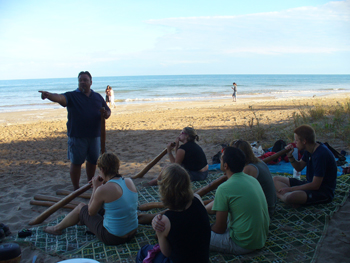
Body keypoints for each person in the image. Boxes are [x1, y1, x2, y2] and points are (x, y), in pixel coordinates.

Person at [44, 153, 138, 245]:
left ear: (102, 169)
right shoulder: (129, 181)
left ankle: (56, 228)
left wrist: (96, 188)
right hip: (132, 232)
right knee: (108, 206)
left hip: (114, 237)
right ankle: (78, 220)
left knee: (81, 207)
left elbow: (91, 212)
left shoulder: (103, 190)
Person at [39, 71, 111, 190]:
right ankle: (76, 188)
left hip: (95, 136)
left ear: (91, 82)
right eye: (80, 80)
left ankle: (90, 184)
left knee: (93, 161)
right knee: (76, 163)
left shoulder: (97, 97)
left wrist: (106, 114)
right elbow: (60, 98)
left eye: (85, 80)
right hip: (77, 136)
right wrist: (49, 95)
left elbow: (107, 111)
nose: (82, 82)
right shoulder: (72, 96)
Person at [138, 164, 211, 263]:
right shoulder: (197, 199)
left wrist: (159, 234)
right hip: (202, 259)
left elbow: (166, 253)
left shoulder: (165, 221)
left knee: (143, 251)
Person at [208, 147, 269, 255]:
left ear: (225, 166)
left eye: (221, 159)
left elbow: (219, 229)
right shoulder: (253, 180)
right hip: (260, 239)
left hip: (242, 244)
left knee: (195, 235)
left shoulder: (224, 188)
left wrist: (208, 228)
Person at [273, 125, 337, 206]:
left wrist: (290, 189)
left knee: (290, 197)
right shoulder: (309, 149)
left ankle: (279, 195)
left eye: (296, 140)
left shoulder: (321, 155)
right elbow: (299, 167)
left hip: (322, 191)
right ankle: (286, 195)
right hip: (309, 183)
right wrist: (290, 156)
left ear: (304, 141)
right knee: (275, 179)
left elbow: (315, 185)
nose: (295, 143)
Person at [230, 139, 277, 217]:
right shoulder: (258, 161)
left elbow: (236, 195)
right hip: (270, 205)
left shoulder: (248, 169)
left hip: (265, 211)